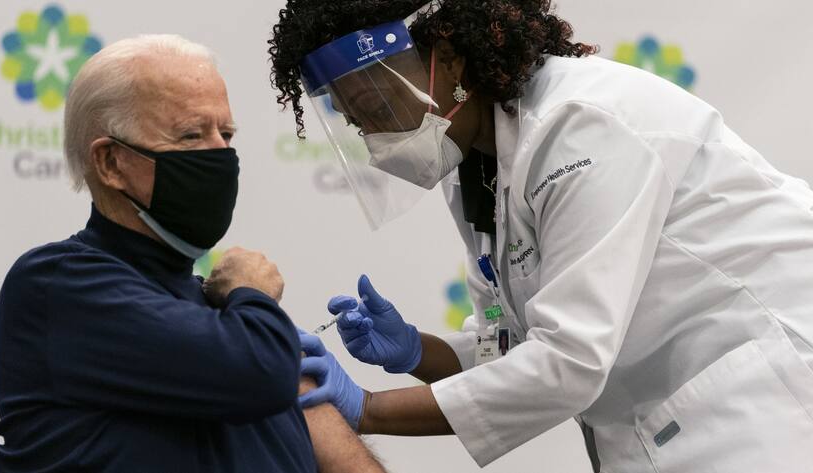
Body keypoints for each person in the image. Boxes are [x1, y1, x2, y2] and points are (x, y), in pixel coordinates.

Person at [268, 1, 813, 471]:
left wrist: (366, 409)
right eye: (357, 120)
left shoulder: (578, 124)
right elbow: (512, 351)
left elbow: (567, 362)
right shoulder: (480, 166)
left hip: (765, 395)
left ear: (450, 58)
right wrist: (416, 350)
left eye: (376, 108)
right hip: (675, 420)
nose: (374, 136)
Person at [0, 34, 384, 473]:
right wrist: (253, 297)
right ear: (110, 163)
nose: (221, 155)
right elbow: (258, 375)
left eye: (227, 134)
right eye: (192, 135)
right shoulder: (60, 284)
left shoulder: (230, 315)